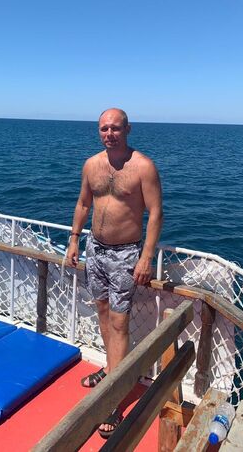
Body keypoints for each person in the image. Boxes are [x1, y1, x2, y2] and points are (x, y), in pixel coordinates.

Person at [66, 108, 163, 437]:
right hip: (95, 249)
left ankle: (114, 400)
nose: (109, 134)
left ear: (128, 129)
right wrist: (74, 239)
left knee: (120, 323)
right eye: (104, 129)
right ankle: (111, 370)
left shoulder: (143, 167)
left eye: (116, 128)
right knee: (103, 313)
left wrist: (146, 257)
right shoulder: (91, 165)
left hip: (125, 255)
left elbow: (156, 213)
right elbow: (83, 204)